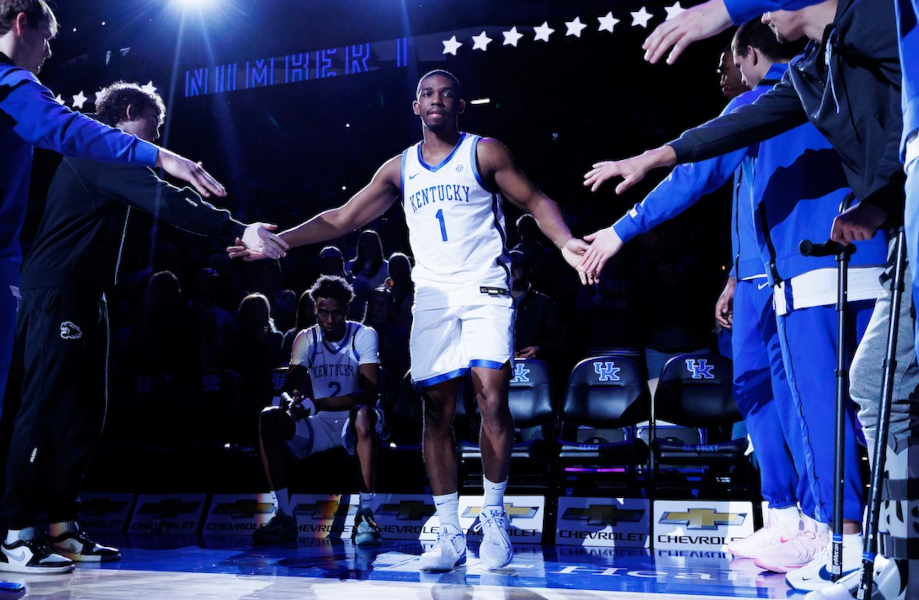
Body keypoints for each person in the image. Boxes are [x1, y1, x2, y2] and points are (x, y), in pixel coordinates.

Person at [582, 2, 903, 592]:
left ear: (754, 51)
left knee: (820, 417)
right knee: (888, 414)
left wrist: (623, 222)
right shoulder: (846, 74)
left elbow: (693, 172)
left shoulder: (773, 98)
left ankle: (838, 541)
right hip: (886, 261)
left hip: (812, 279)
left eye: (732, 59)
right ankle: (869, 542)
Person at [0, 2, 227, 598]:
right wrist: (160, 155)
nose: (49, 53)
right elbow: (65, 128)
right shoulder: (3, 78)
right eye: (46, 38)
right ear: (21, 25)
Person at [231, 69, 589, 571]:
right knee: (435, 411)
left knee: (491, 397)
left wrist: (567, 242)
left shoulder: (484, 151)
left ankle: (493, 514)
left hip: (485, 285)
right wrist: (280, 240)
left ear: (460, 105)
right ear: (415, 107)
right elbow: (342, 217)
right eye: (427, 94)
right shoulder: (399, 168)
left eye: (446, 93)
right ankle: (447, 529)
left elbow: (532, 200)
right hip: (435, 295)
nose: (436, 100)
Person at [0, 81, 285, 575]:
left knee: (87, 413)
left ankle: (62, 528)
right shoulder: (97, 150)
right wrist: (236, 228)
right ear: (130, 113)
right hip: (56, 294)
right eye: (155, 126)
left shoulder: (108, 156)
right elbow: (166, 201)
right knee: (46, 410)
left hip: (89, 295)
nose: (158, 137)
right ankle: (16, 535)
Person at [253, 276, 384, 547]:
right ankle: (284, 515)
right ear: (315, 310)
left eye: (336, 313)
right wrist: (294, 400)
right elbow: (290, 388)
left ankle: (366, 514)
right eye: (323, 312)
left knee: (362, 413)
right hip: (318, 426)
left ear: (346, 310)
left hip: (355, 424)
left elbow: (369, 394)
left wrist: (318, 403)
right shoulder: (306, 338)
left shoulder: (363, 334)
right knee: (270, 416)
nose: (330, 319)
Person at [510, 251, 562, 364]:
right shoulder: (495, 303)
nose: (511, 270)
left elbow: (558, 340)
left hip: (535, 367)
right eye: (509, 266)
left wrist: (540, 349)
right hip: (500, 367)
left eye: (516, 266)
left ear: (527, 271)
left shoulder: (544, 303)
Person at [347, 230, 390, 320]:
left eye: (372, 243)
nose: (368, 246)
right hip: (353, 311)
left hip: (378, 313)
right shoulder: (349, 266)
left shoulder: (386, 267)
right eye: (365, 243)